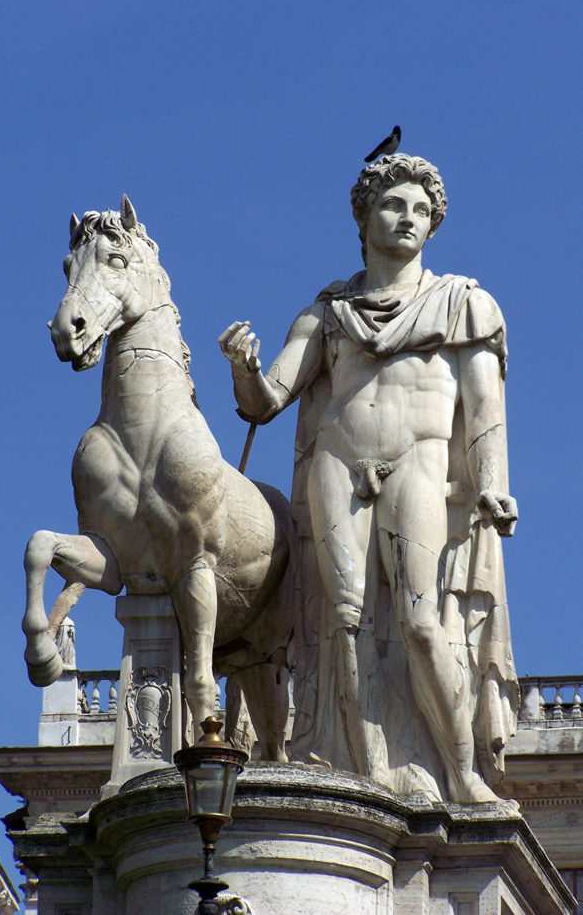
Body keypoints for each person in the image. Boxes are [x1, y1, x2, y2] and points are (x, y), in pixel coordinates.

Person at [219, 154, 519, 803]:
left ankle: (462, 772)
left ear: (434, 224)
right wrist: (243, 367)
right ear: (364, 216)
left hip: (420, 457)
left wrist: (492, 481)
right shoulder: (329, 312)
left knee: (418, 620)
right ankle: (370, 768)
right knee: (343, 621)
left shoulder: (463, 303)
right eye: (394, 205)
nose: (408, 218)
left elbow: (486, 409)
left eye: (420, 209)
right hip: (337, 457)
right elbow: (266, 400)